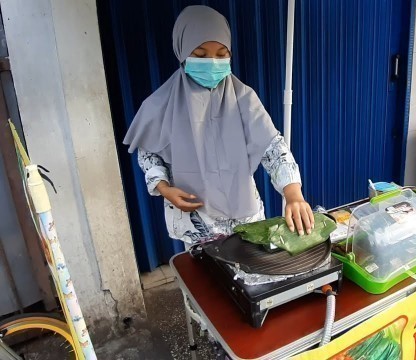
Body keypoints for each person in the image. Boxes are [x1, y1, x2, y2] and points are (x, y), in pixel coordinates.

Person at [124, 6, 314, 244]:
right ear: (182, 52)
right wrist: (164, 188)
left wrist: (293, 193)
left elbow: (273, 147)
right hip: (196, 219)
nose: (212, 63)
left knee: (251, 276)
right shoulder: (160, 105)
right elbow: (148, 153)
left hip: (246, 218)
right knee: (205, 279)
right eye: (201, 55)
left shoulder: (244, 98)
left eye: (222, 54)